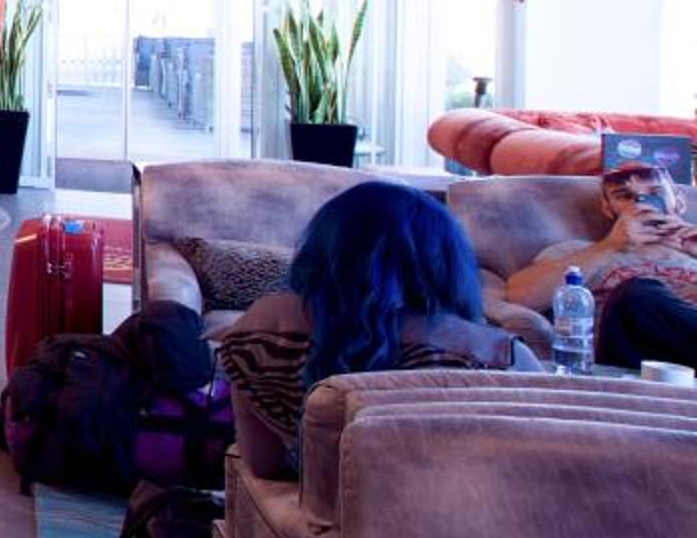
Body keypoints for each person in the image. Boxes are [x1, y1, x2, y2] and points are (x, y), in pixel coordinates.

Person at [215, 181, 532, 460]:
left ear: (324, 249)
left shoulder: (253, 337)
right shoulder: (499, 358)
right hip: (446, 506)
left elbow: (262, 462)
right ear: (446, 261)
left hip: (318, 502)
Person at [503, 162, 697, 369]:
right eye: (624, 196)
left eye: (655, 194)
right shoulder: (577, 252)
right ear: (607, 208)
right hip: (631, 357)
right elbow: (520, 296)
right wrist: (608, 247)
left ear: (679, 202)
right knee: (636, 294)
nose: (641, 205)